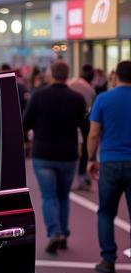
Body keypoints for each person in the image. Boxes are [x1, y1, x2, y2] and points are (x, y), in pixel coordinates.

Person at [22, 60, 87, 255]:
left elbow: (25, 123)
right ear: (67, 75)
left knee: (49, 196)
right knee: (63, 196)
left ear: (50, 74)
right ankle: (64, 234)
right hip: (68, 154)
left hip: (43, 153)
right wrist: (87, 153)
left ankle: (54, 233)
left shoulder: (39, 96)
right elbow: (85, 127)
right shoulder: (77, 98)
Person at [87, 60, 131, 273]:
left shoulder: (104, 99)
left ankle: (108, 259)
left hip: (110, 163)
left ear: (116, 76)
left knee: (106, 212)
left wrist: (90, 159)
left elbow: (94, 132)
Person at [70, 64, 97, 190]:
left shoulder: (71, 82)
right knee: (84, 150)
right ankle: (82, 176)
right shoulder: (90, 89)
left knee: (72, 149)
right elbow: (91, 109)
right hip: (84, 122)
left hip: (68, 121)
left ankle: (70, 178)